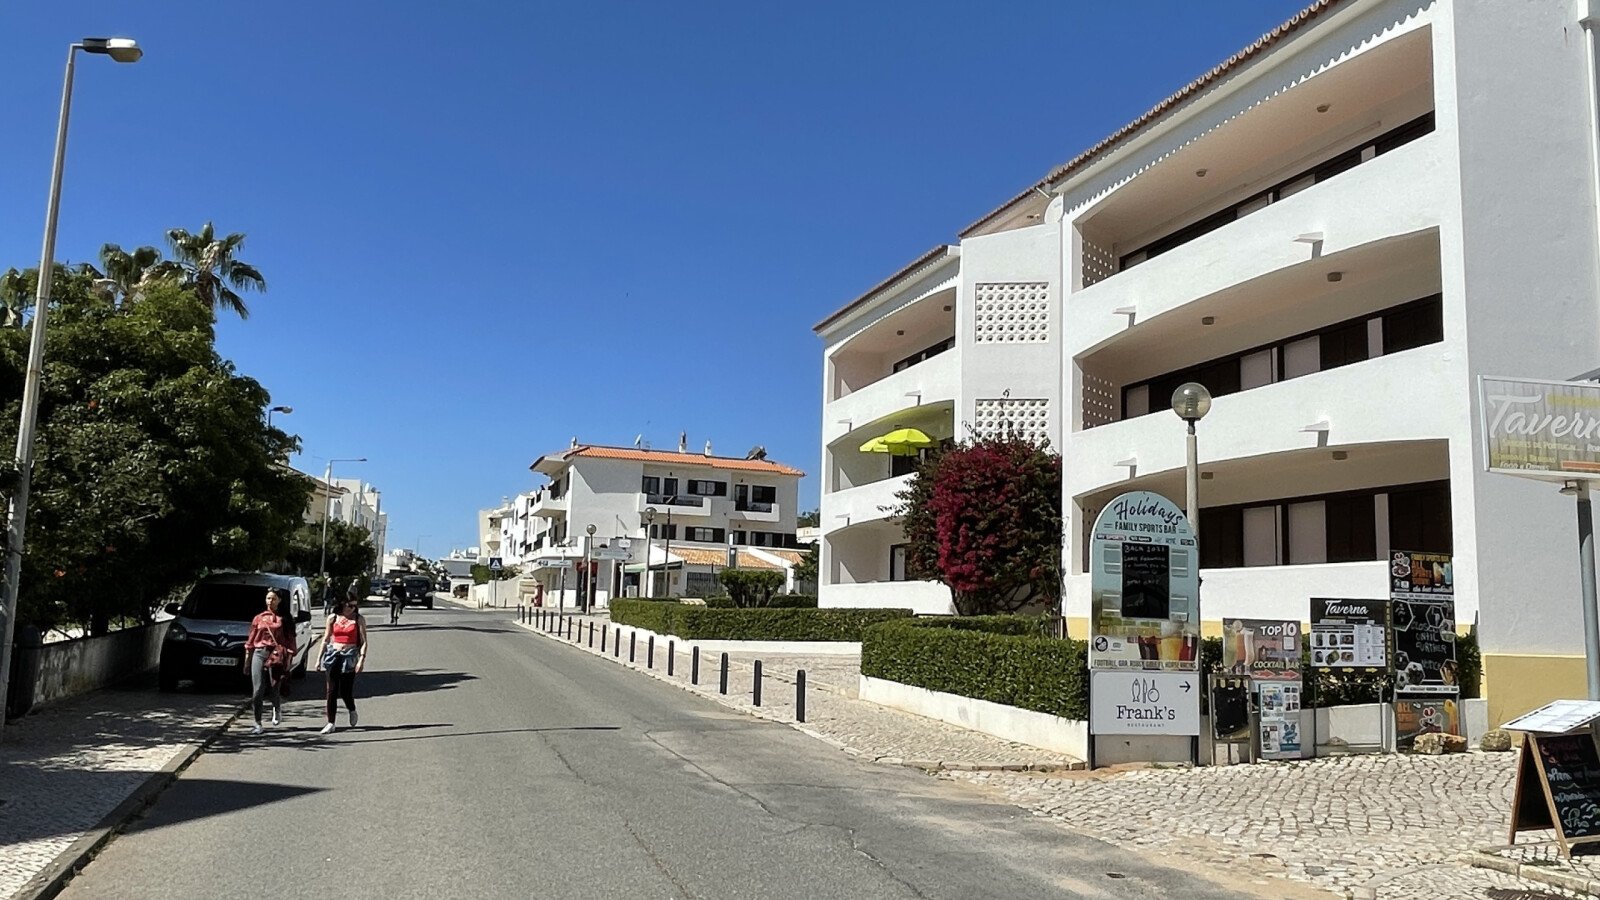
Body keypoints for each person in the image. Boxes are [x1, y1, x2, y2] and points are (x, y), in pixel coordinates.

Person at [314, 587, 367, 734]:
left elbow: (363, 641)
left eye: (354, 606)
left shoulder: (358, 619)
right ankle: (331, 722)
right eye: (349, 605)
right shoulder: (332, 618)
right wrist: (319, 659)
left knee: (345, 691)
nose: (352, 608)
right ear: (342, 604)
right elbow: (325, 639)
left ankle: (352, 709)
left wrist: (361, 660)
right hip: (333, 654)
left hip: (349, 656)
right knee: (331, 690)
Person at [243, 588, 296, 735]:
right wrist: (247, 661)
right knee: (258, 690)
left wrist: (289, 659)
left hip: (276, 654)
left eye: (273, 598)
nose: (270, 601)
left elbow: (291, 641)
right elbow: (251, 641)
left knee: (274, 687)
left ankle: (276, 708)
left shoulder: (284, 618)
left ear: (279, 600)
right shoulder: (258, 618)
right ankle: (258, 723)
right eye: (268, 598)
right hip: (259, 653)